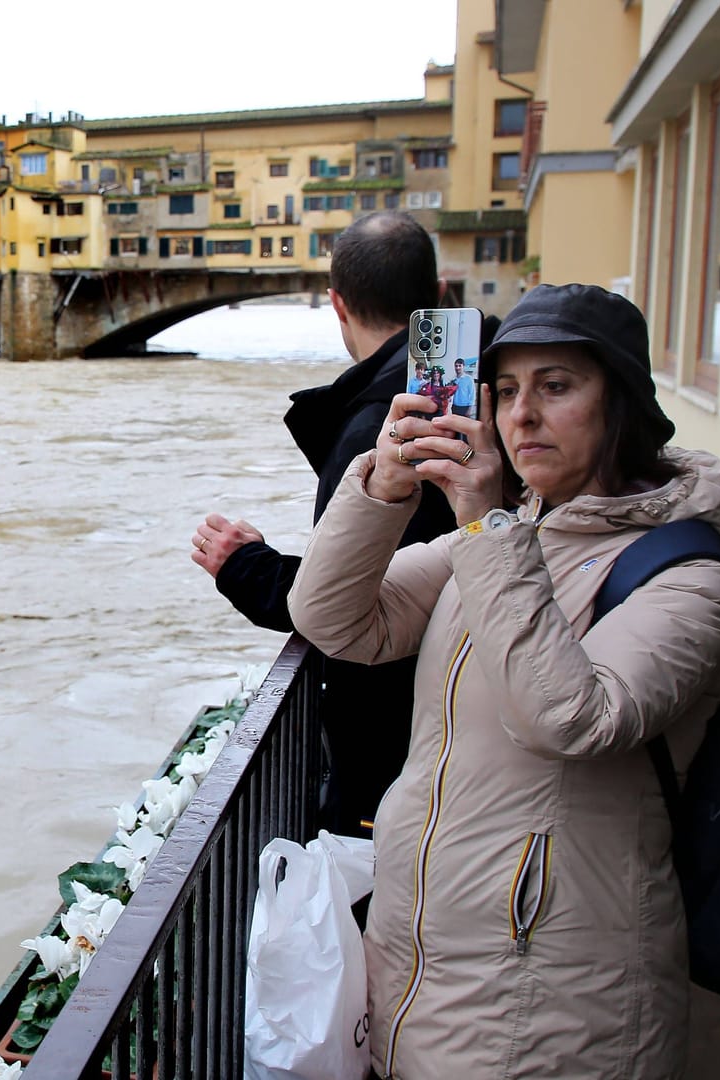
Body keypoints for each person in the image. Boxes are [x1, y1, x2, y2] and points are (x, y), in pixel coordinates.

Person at [288, 283, 720, 1078]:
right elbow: (333, 619)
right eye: (503, 392)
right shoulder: (512, 534)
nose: (521, 415)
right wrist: (382, 490)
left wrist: (483, 522)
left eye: (556, 387)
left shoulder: (689, 576)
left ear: (622, 403)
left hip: (553, 1002)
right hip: (425, 967)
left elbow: (573, 717)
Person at [191, 211, 455, 835]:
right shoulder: (478, 400)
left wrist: (245, 567)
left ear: (335, 303)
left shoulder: (379, 431)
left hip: (398, 749)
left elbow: (357, 602)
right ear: (440, 299)